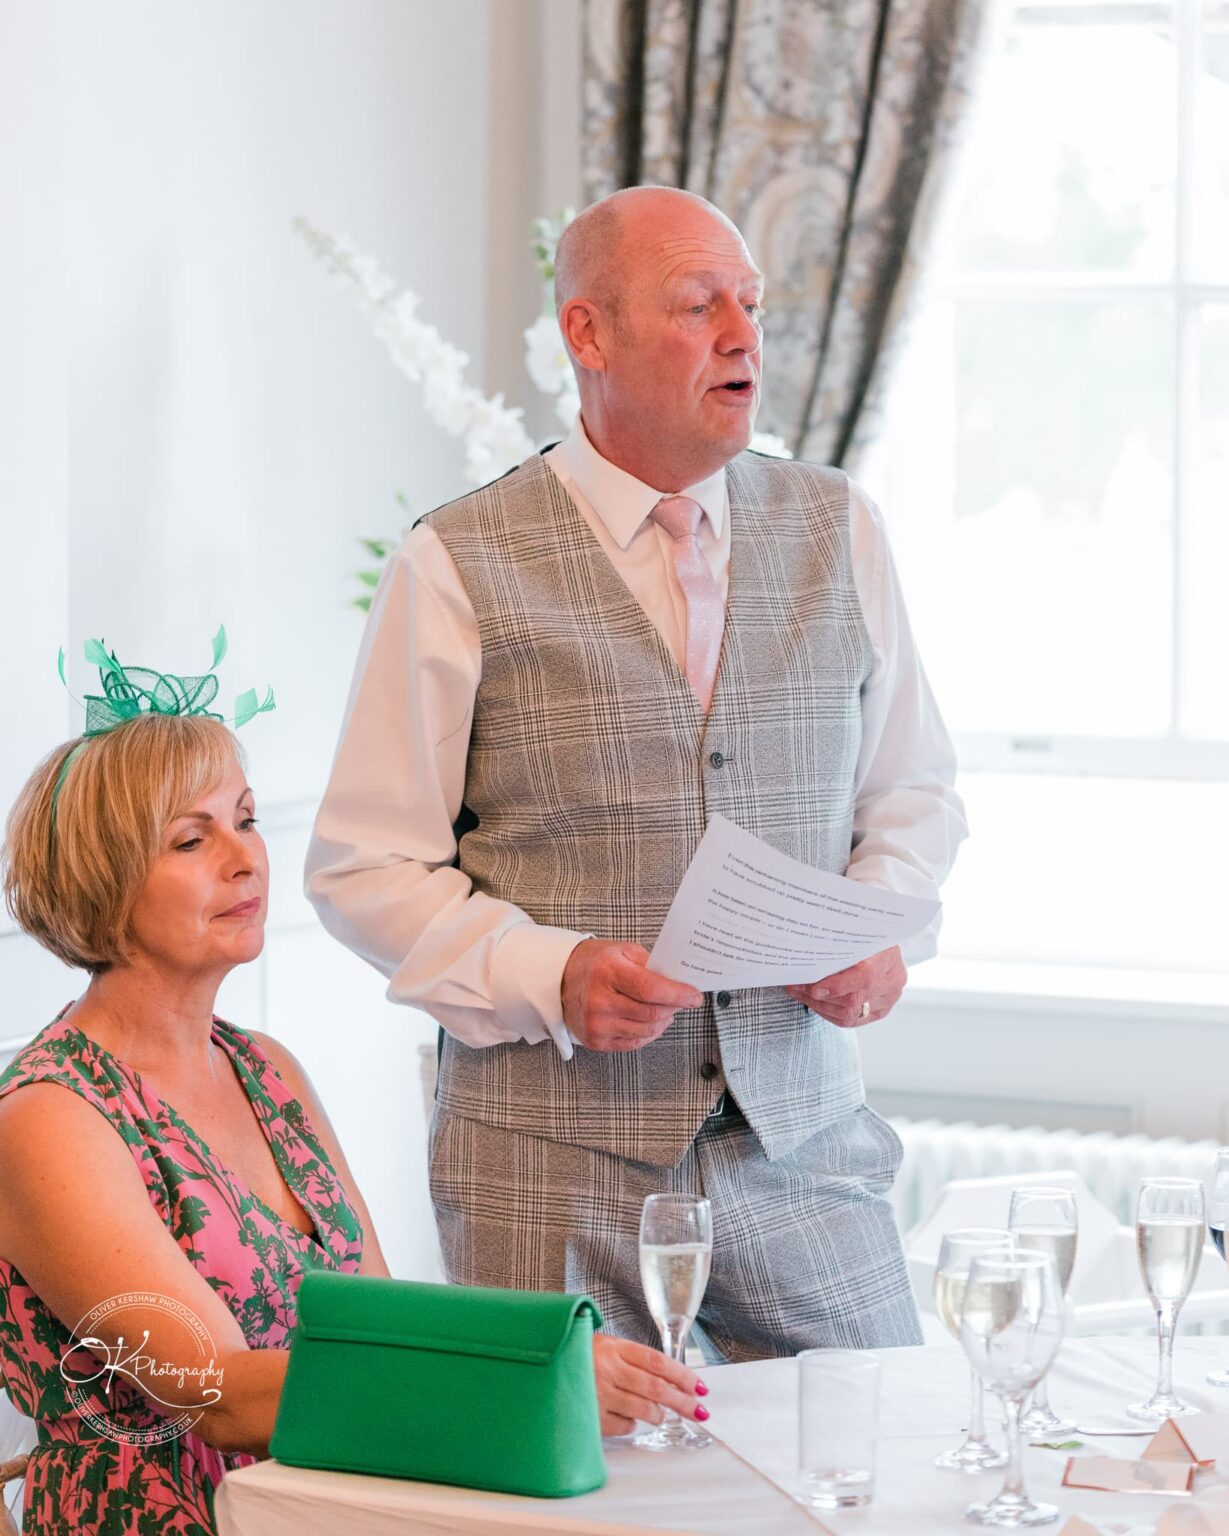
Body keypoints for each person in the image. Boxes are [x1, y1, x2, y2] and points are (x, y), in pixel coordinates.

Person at [306, 185, 968, 1360]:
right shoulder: (453, 561)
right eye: (696, 303)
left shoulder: (840, 526)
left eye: (750, 304)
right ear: (587, 335)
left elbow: (910, 792)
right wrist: (547, 972)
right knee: (579, 1510)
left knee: (876, 1476)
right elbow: (363, 866)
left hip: (802, 1146)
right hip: (544, 1171)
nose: (741, 334)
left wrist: (882, 931)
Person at [0, 656, 704, 1536]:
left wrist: (550, 1350)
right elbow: (210, 1394)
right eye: (192, 839)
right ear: (99, 879)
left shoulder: (266, 1069)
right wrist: (534, 1382)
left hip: (327, 1502)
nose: (244, 857)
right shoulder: (48, 1117)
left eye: (246, 820)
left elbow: (378, 1319)